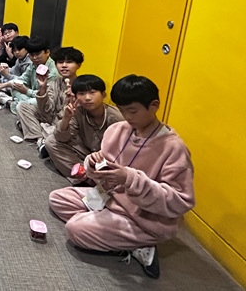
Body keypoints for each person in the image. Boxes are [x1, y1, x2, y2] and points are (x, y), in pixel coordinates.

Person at [49, 75, 195, 279]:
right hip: (109, 198)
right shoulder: (118, 130)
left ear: (154, 106)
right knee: (57, 199)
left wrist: (129, 179)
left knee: (75, 229)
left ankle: (140, 243)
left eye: (133, 111)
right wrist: (92, 163)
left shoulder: (173, 148)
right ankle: (114, 233)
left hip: (142, 216)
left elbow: (181, 201)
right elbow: (103, 164)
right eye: (122, 110)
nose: (127, 117)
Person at [44, 74, 124, 182]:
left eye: (92, 92)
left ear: (104, 95)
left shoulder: (116, 118)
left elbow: (122, 150)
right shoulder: (78, 110)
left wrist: (102, 156)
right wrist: (66, 118)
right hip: (87, 151)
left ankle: (95, 179)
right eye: (81, 94)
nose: (87, 98)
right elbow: (61, 138)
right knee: (51, 141)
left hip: (108, 158)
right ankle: (86, 176)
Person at [16, 46, 84, 149]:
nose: (64, 66)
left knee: (58, 132)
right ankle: (39, 139)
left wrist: (72, 100)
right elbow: (46, 109)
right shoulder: (55, 83)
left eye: (69, 62)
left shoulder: (82, 86)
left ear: (78, 65)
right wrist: (43, 89)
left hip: (67, 123)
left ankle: (35, 130)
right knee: (22, 106)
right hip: (52, 118)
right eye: (60, 62)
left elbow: (79, 118)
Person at [7, 36, 59, 116]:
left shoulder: (53, 72)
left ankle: (15, 105)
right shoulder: (33, 64)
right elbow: (23, 79)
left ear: (47, 52)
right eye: (31, 55)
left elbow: (47, 97)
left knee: (30, 103)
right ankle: (20, 107)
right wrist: (7, 84)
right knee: (14, 87)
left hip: (46, 102)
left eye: (37, 54)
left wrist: (26, 91)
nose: (34, 58)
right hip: (31, 95)